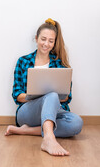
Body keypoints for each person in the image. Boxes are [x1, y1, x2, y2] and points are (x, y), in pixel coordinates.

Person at [5, 18, 83, 156]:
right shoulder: (23, 61)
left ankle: (25, 131)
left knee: (76, 123)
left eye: (51, 41)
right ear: (36, 38)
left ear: (54, 43)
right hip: (29, 112)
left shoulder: (60, 64)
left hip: (54, 110)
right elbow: (17, 95)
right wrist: (39, 96)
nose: (46, 44)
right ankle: (49, 139)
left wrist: (49, 98)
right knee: (52, 94)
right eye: (43, 39)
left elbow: (67, 97)